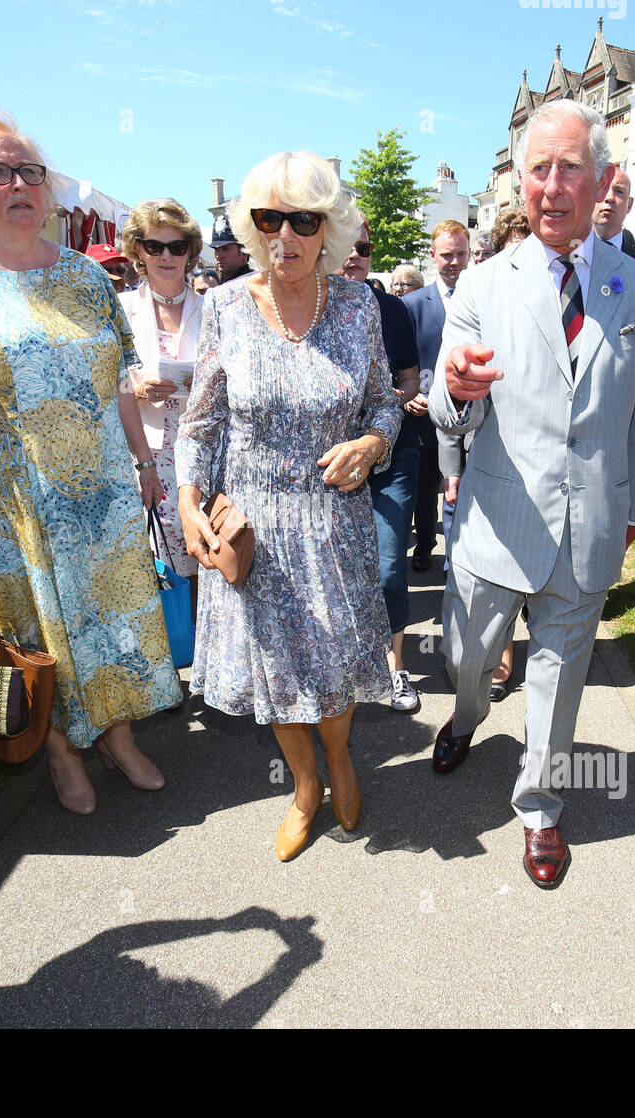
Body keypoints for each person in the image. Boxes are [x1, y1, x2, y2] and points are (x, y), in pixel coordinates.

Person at [0, 115, 180, 816]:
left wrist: (143, 463)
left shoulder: (82, 275)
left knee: (109, 618)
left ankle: (118, 736)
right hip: (5, 502)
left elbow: (118, 382)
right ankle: (59, 753)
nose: (19, 184)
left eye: (31, 172)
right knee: (29, 632)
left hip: (100, 493)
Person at [428, 100, 635, 888]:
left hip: (590, 524)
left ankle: (540, 808)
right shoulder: (484, 285)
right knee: (468, 658)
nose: (554, 185)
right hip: (497, 522)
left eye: (572, 168)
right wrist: (458, 391)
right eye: (540, 169)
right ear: (520, 184)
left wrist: (634, 510)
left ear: (602, 180)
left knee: (560, 679)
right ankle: (466, 718)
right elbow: (444, 401)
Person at [176, 150, 399, 863]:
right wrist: (188, 499)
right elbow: (202, 421)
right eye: (269, 218)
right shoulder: (224, 308)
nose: (286, 236)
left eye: (304, 220)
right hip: (253, 527)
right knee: (278, 668)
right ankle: (305, 787)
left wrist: (370, 443)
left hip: (334, 522)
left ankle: (340, 762)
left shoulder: (361, 305)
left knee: (333, 664)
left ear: (327, 229)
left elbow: (385, 406)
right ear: (250, 224)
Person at [335, 216, 421, 712]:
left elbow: (411, 379)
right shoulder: (311, 312)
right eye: (346, 245)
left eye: (363, 247)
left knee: (389, 565)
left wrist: (391, 400)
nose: (355, 255)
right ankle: (343, 660)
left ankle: (395, 669)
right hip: (330, 465)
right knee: (338, 568)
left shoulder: (393, 309)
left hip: (393, 457)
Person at [446, 205, 531, 701]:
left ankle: (505, 661)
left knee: (526, 578)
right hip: (488, 470)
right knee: (485, 586)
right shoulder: (481, 300)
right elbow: (452, 396)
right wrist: (450, 470)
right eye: (515, 245)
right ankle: (475, 680)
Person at [118, 198, 204, 578]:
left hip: (203, 453)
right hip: (144, 455)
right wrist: (135, 388)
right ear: (139, 250)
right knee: (157, 569)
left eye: (177, 246)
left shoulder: (215, 308)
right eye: (155, 246)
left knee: (207, 560)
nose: (166, 255)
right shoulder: (119, 309)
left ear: (190, 252)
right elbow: (99, 382)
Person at [403, 219, 470, 572]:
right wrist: (406, 396)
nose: (455, 261)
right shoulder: (413, 304)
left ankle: (461, 558)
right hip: (424, 416)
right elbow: (400, 362)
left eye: (461, 253)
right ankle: (426, 544)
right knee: (427, 488)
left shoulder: (481, 299)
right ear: (433, 256)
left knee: (461, 490)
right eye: (447, 255)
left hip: (472, 416)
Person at [592, 166, 635, 271]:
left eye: (619, 191)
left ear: (629, 205)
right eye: (602, 189)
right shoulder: (565, 258)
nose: (609, 197)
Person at [209, 214, 252, 282]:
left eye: (225, 249)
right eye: (216, 250)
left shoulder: (258, 286)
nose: (218, 256)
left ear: (244, 252)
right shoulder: (217, 288)